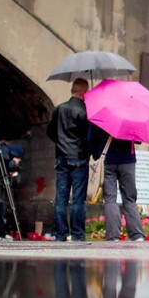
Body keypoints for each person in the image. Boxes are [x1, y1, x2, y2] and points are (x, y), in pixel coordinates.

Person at [47, 78, 91, 241]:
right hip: (78, 157)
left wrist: (61, 143)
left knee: (61, 197)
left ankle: (61, 233)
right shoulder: (85, 111)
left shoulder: (59, 109)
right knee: (78, 198)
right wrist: (88, 152)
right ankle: (77, 233)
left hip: (61, 157)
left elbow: (50, 131)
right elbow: (89, 137)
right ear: (84, 92)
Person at [88, 121, 144, 241]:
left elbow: (90, 138)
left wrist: (96, 153)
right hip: (127, 160)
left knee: (110, 199)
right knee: (129, 198)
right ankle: (137, 235)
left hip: (107, 160)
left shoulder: (101, 114)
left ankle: (113, 236)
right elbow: (138, 139)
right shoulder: (130, 115)